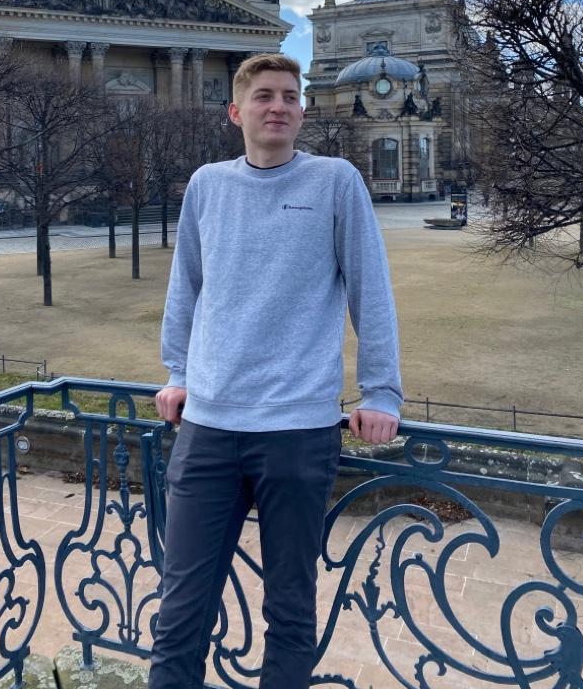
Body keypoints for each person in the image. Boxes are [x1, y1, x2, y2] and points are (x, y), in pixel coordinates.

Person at [149, 52, 403, 689]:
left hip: (298, 431)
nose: (279, 106)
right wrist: (178, 373)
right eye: (264, 96)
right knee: (180, 612)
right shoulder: (207, 184)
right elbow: (187, 288)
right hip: (208, 429)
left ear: (302, 110)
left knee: (289, 610)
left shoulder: (336, 180)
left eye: (290, 96)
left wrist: (381, 391)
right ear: (235, 112)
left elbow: (369, 289)